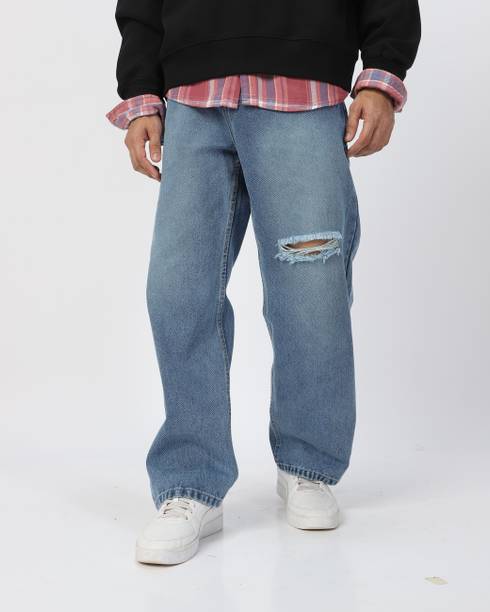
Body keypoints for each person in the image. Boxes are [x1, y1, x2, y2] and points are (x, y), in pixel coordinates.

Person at [107, 0, 421, 565]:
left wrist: (381, 76)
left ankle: (308, 465)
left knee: (310, 295)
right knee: (176, 294)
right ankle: (190, 482)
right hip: (191, 102)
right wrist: (140, 96)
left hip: (304, 95)